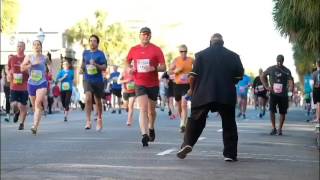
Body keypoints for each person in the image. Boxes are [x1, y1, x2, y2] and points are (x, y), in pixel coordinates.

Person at [177, 33, 244, 162]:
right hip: (226, 94)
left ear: (210, 42)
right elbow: (238, 77)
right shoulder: (233, 56)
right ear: (223, 43)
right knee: (229, 123)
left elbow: (193, 76)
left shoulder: (201, 55)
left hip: (204, 93)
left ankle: (187, 144)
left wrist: (192, 90)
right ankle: (230, 154)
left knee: (196, 120)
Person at [126, 27, 166, 147]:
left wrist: (154, 68)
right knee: (143, 108)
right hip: (140, 83)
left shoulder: (156, 49)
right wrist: (130, 69)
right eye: (143, 34)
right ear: (140, 36)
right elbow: (127, 61)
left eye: (148, 34)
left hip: (153, 83)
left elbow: (164, 67)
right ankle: (144, 135)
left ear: (150, 36)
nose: (146, 36)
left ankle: (151, 127)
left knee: (151, 111)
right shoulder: (134, 49)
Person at [21, 40, 50, 135]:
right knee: (35, 106)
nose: (37, 46)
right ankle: (36, 121)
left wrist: (50, 71)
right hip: (31, 84)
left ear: (41, 47)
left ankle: (35, 126)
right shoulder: (29, 57)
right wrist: (32, 64)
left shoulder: (44, 57)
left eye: (38, 45)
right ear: (32, 47)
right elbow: (22, 68)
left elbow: (50, 64)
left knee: (38, 102)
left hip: (42, 83)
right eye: (35, 45)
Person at [261, 54, 294, 136]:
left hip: (283, 94)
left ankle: (280, 129)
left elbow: (290, 81)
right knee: (272, 110)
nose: (279, 61)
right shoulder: (271, 69)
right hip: (273, 93)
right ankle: (273, 128)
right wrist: (266, 86)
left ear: (283, 61)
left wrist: (290, 89)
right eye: (278, 60)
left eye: (281, 60)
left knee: (282, 112)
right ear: (276, 60)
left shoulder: (286, 70)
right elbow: (262, 76)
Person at [80, 34, 107, 131]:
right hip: (87, 79)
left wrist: (96, 65)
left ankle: (99, 119)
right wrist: (81, 69)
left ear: (97, 43)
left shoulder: (100, 54)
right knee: (87, 98)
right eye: (90, 40)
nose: (92, 42)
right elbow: (83, 63)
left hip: (98, 80)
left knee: (98, 101)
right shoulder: (85, 53)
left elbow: (104, 67)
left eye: (94, 41)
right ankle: (88, 121)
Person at [169, 44, 194, 132]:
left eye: (185, 51)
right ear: (179, 52)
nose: (183, 53)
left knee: (184, 104)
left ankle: (183, 124)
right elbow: (169, 72)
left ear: (187, 51)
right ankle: (182, 120)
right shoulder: (176, 60)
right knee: (179, 105)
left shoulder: (191, 60)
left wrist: (192, 75)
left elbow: (196, 70)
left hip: (187, 85)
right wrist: (175, 71)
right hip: (177, 85)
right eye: (181, 51)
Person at [7, 41, 29, 129]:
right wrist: (9, 73)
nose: (19, 48)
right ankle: (16, 112)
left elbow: (31, 71)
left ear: (24, 48)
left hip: (24, 86)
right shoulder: (12, 59)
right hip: (14, 85)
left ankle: (21, 124)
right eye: (18, 46)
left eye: (21, 46)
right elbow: (8, 68)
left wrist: (25, 70)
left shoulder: (27, 59)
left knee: (23, 106)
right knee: (14, 104)